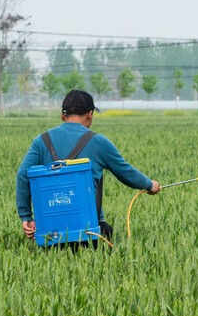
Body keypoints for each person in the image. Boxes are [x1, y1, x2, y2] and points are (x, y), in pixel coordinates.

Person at [16, 89, 161, 244]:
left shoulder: (41, 141)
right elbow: (125, 171)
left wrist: (26, 217)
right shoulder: (98, 142)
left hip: (50, 233)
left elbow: (23, 175)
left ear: (63, 115)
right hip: (90, 231)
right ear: (90, 114)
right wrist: (149, 185)